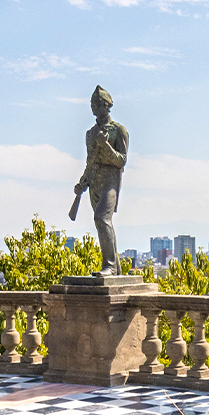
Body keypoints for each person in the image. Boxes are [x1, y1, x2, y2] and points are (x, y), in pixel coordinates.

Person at [71, 85, 129, 275]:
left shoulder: (118, 130)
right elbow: (90, 161)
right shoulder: (90, 134)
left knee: (102, 219)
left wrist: (106, 147)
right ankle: (116, 269)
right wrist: (83, 182)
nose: (93, 107)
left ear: (106, 105)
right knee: (104, 224)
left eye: (96, 104)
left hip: (110, 180)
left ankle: (110, 266)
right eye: (92, 104)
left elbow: (121, 161)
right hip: (94, 181)